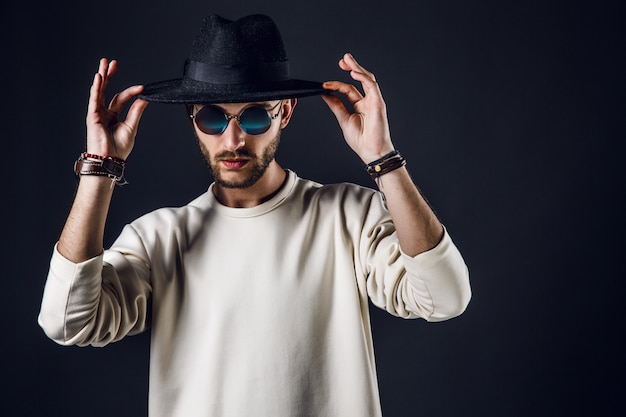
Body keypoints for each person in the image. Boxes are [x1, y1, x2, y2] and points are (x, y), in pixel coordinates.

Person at [38, 13, 471, 417]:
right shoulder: (158, 238)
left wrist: (384, 159)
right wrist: (100, 169)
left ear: (285, 112)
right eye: (212, 118)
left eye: (254, 118)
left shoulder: (348, 215)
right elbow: (65, 321)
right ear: (192, 119)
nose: (233, 140)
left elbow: (444, 297)